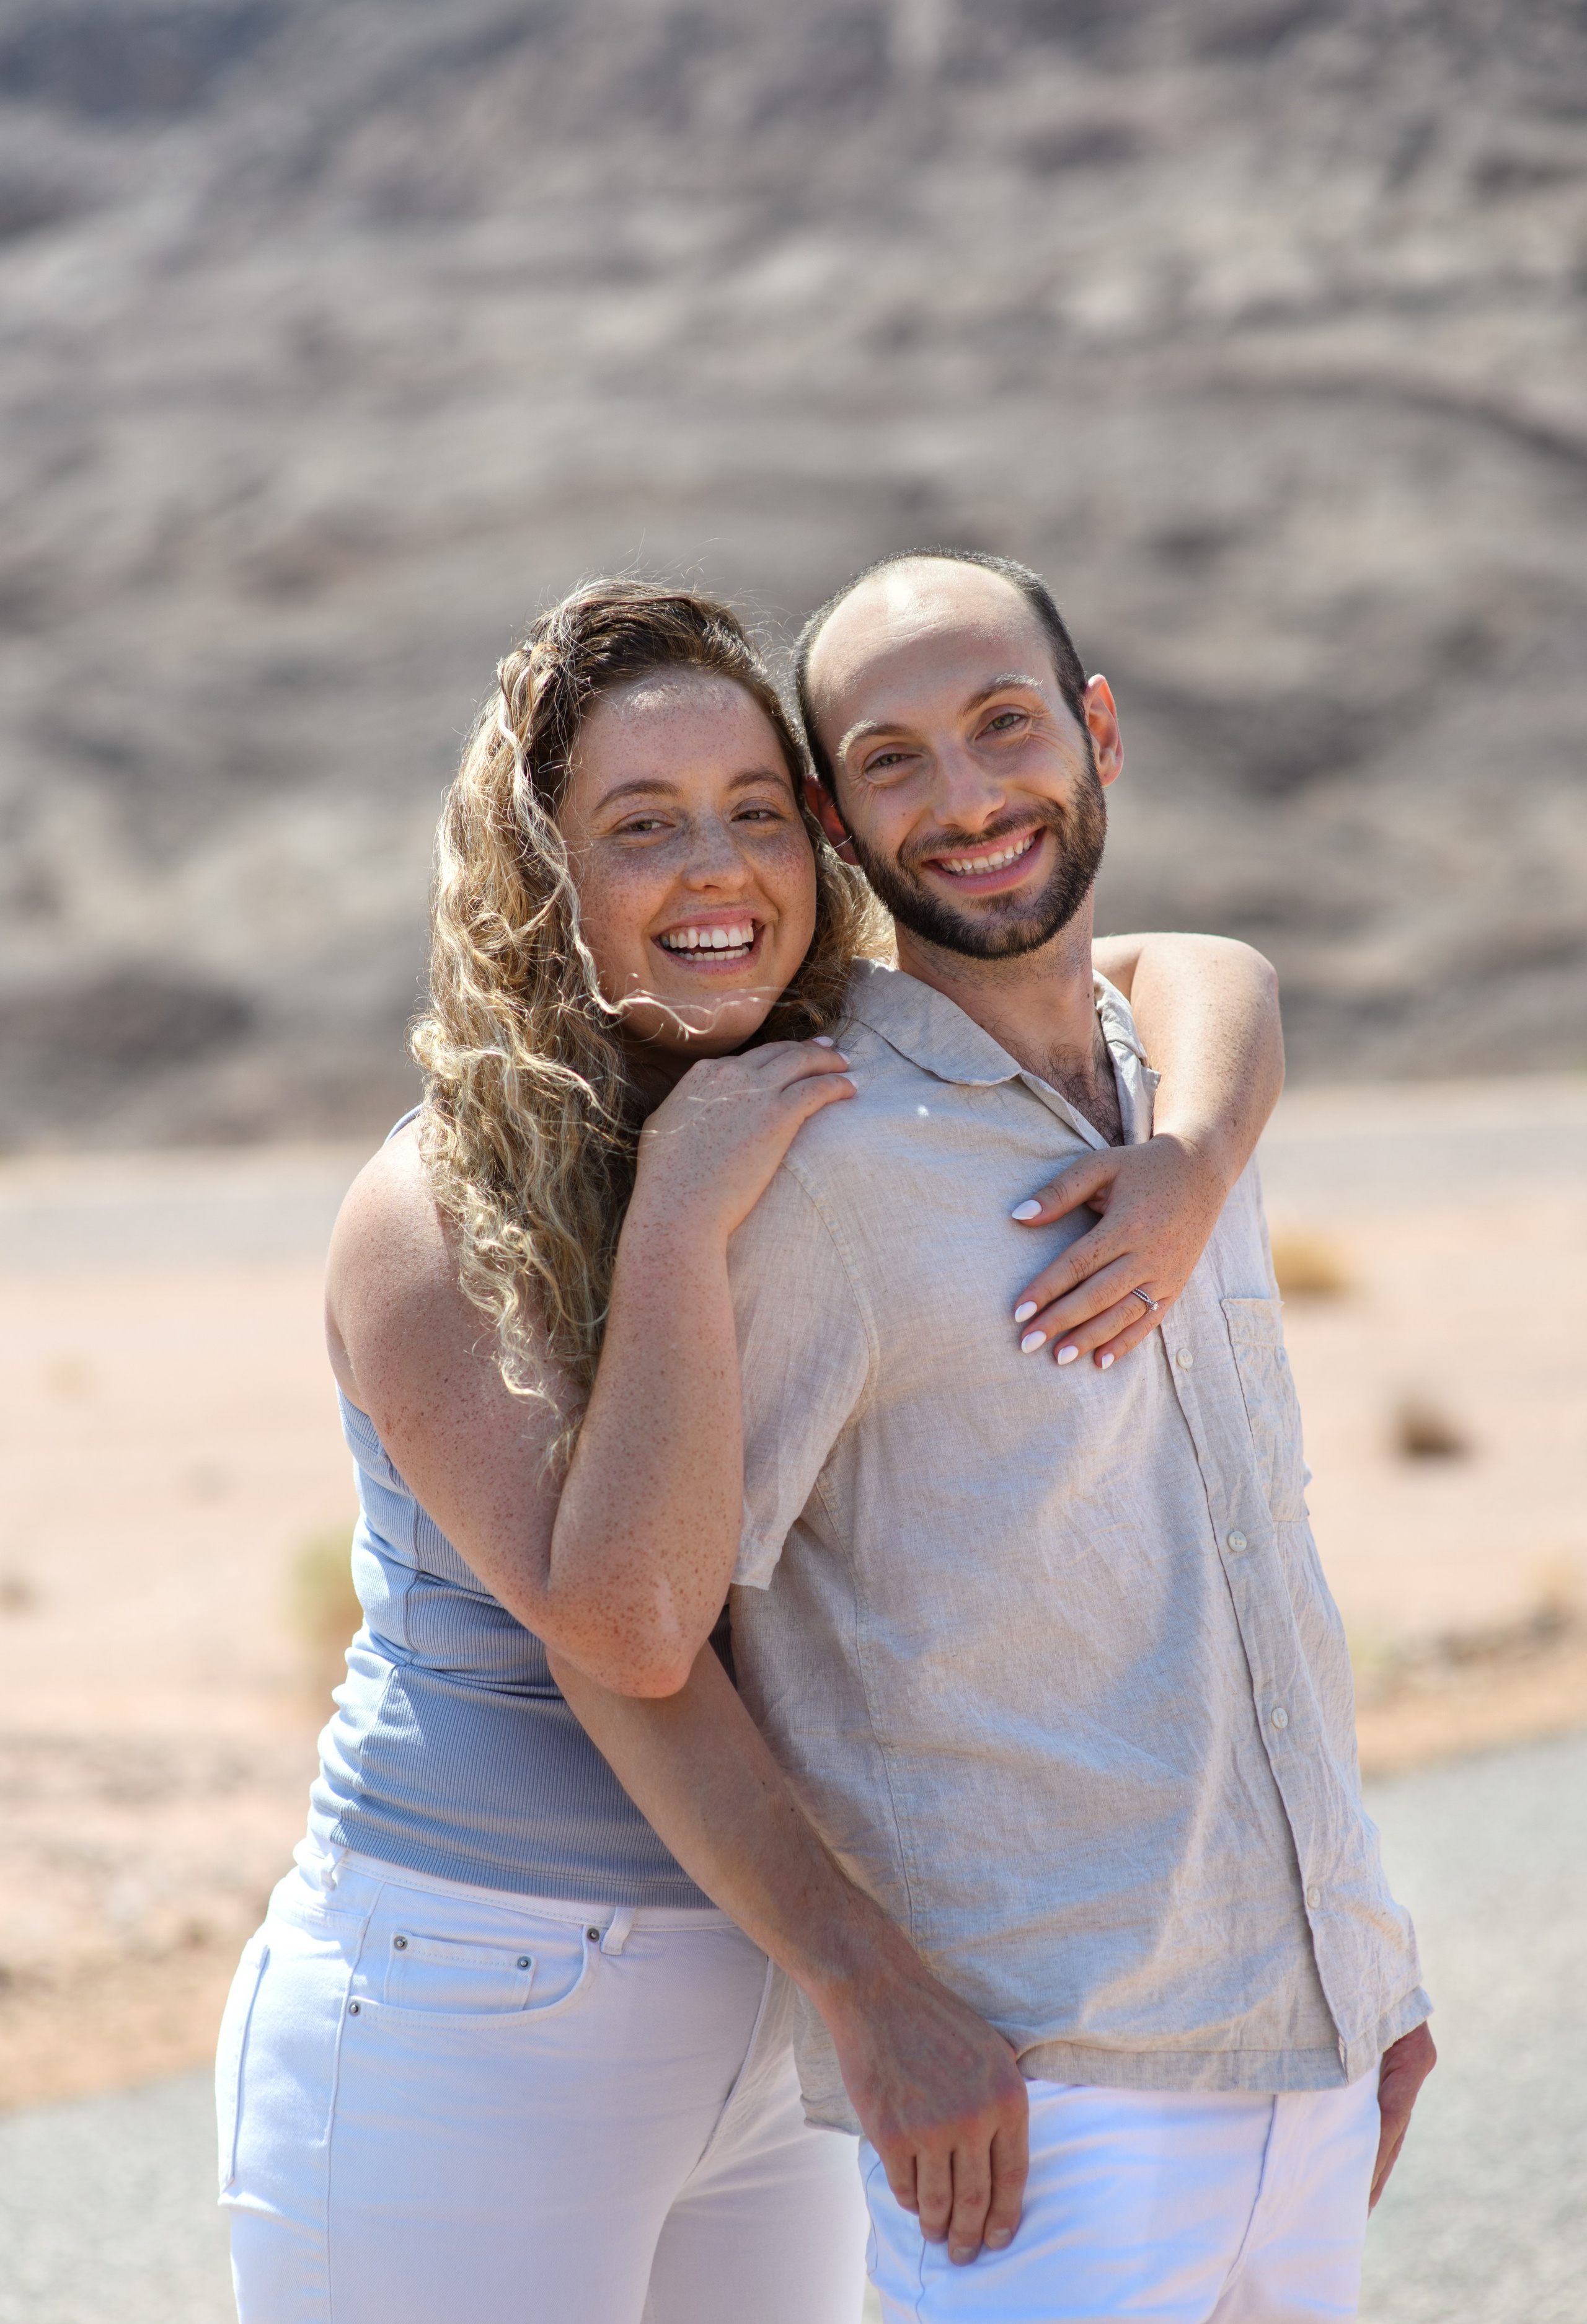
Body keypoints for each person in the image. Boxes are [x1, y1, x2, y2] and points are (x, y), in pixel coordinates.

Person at [216, 578, 1289, 2324]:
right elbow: (627, 1633)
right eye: (643, 827)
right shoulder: (437, 1210)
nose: (717, 870)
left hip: (780, 1987)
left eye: (757, 814)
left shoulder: (833, 1079)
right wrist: (674, 1229)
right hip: (472, 1994)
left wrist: (1190, 1157)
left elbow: (1199, 967)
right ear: (542, 874)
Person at [551, 551, 1437, 2324]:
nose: (965, 800)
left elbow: (1246, 1559)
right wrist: (874, 1998)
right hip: (1043, 2114)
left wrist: (1363, 1968)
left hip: (1313, 2060)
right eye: (891, 761)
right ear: (830, 819)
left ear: (1096, 733)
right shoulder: (820, 1173)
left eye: (1004, 726)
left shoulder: (1177, 1111)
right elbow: (637, 1638)